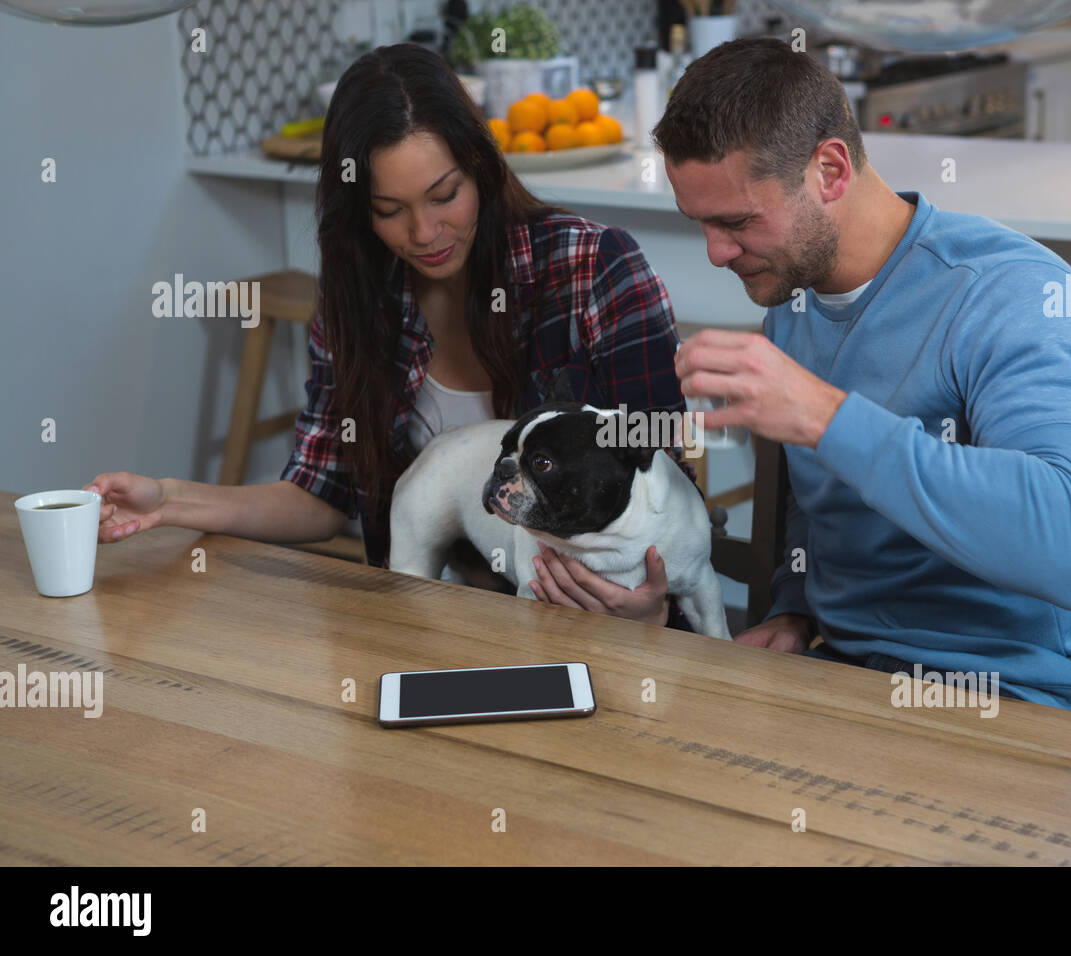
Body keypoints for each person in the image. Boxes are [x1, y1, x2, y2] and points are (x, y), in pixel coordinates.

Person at [84, 43, 694, 630]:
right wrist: (167, 502)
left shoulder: (593, 267)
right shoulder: (358, 298)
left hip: (589, 631)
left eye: (445, 195)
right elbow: (321, 495)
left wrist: (651, 611)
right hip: (417, 625)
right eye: (389, 209)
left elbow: (665, 473)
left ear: (481, 168)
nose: (425, 232)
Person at [659, 38, 1071, 716]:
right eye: (699, 224)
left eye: (735, 221)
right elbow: (821, 500)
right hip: (848, 677)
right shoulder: (794, 301)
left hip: (1020, 696)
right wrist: (796, 610)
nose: (715, 253)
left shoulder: (1012, 293)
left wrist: (824, 414)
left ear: (829, 170)